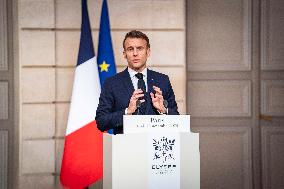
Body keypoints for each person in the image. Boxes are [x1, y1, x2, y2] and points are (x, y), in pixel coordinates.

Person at [96, 30, 179, 134]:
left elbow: (177, 118)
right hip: (125, 147)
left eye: (140, 48)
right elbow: (101, 122)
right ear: (124, 54)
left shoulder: (162, 80)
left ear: (148, 52)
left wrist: (163, 110)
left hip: (156, 146)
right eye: (130, 49)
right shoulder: (112, 83)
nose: (135, 53)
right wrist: (127, 111)